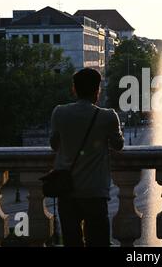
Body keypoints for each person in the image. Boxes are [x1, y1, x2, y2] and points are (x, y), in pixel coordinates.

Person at [50, 68, 124, 247]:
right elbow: (118, 145)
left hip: (67, 190)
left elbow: (54, 144)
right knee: (99, 242)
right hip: (95, 191)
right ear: (97, 90)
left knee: (71, 241)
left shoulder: (59, 112)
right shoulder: (107, 116)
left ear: (74, 89)